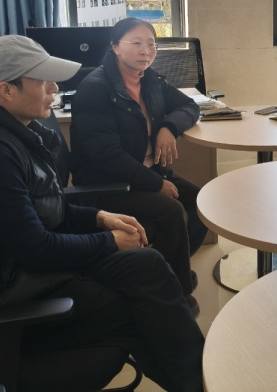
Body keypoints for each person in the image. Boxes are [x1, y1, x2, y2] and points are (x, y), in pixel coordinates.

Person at [0, 35, 204, 392]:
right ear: (6, 90)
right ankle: (200, 382)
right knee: (139, 306)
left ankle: (201, 380)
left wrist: (98, 218)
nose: (55, 88)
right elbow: (35, 249)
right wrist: (109, 241)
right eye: (43, 81)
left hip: (20, 269)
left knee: (147, 265)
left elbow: (42, 209)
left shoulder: (15, 131)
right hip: (4, 293)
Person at [69, 18, 207, 315]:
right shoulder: (96, 88)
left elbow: (190, 106)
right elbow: (105, 156)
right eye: (137, 43)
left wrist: (168, 127)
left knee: (202, 201)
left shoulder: (150, 80)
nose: (146, 50)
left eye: (151, 44)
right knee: (172, 210)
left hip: (147, 172)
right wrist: (156, 184)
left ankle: (171, 271)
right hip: (109, 182)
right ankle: (177, 295)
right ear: (115, 47)